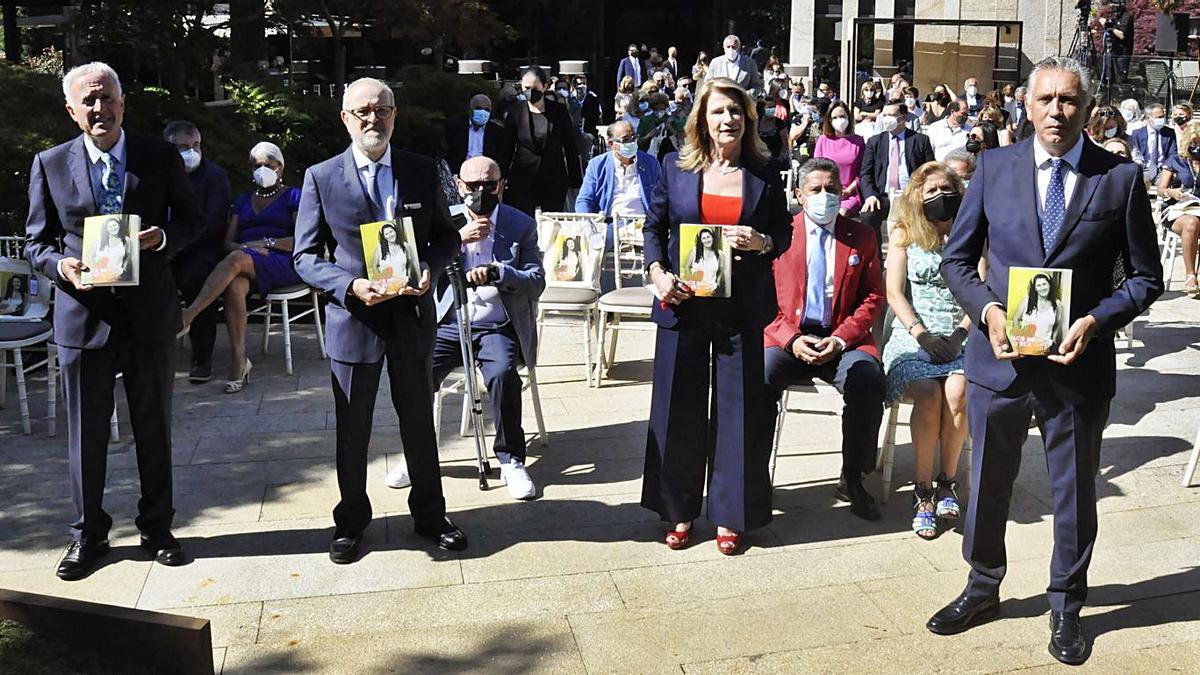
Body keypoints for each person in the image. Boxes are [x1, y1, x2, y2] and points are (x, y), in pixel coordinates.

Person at [931, 57, 1163, 665]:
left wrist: (1097, 319)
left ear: (1086, 109)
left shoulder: (1121, 179)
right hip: (1000, 361)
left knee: (1073, 492)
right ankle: (982, 586)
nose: (1057, 111)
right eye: (1046, 99)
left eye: (1069, 100)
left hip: (1077, 367)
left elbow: (1144, 278)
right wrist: (986, 311)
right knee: (987, 486)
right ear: (1026, 106)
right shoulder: (994, 169)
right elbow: (957, 261)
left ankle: (1066, 604)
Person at [25, 62, 199, 579]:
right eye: (89, 102)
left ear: (124, 102)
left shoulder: (159, 156)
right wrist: (61, 266)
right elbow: (36, 242)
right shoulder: (50, 163)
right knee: (86, 433)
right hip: (83, 318)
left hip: (148, 313)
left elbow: (192, 221)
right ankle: (87, 535)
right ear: (72, 111)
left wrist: (161, 239)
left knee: (154, 425)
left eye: (108, 98)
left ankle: (157, 526)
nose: (100, 109)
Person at [292, 77, 467, 563]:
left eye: (383, 110)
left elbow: (447, 236)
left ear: (395, 114)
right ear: (346, 118)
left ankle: (431, 515)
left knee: (418, 420)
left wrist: (430, 266)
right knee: (353, 427)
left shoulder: (419, 169)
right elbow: (305, 257)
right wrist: (348, 285)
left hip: (411, 315)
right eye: (364, 111)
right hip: (356, 319)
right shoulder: (321, 177)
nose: (374, 120)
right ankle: (350, 521)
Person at [641, 77, 792, 556]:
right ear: (701, 120)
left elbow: (783, 233)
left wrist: (762, 242)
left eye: (735, 112)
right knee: (677, 405)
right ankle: (678, 507)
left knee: (739, 407)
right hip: (683, 303)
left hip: (739, 308)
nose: (727, 120)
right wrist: (657, 272)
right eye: (717, 112)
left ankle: (733, 513)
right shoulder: (675, 166)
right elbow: (655, 226)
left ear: (747, 119)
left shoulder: (766, 171)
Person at [382, 156, 545, 499]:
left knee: (502, 374)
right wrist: (455, 240)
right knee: (416, 375)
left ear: (502, 185)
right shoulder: (444, 221)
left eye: (489, 185)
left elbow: (537, 282)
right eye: (473, 186)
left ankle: (511, 459)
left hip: (496, 324)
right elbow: (414, 268)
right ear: (458, 186)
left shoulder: (520, 224)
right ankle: (417, 456)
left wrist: (500, 272)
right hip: (449, 321)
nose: (480, 192)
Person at [764, 158, 886, 520]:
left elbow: (873, 296)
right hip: (788, 335)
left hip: (842, 337)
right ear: (800, 194)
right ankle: (753, 475)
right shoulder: (780, 233)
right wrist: (789, 338)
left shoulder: (861, 235)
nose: (824, 196)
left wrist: (842, 338)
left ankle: (854, 476)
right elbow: (762, 298)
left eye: (832, 189)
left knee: (868, 380)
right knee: (757, 377)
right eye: (815, 190)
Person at [881, 162, 971, 539]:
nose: (938, 196)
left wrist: (958, 335)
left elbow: (979, 291)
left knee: (959, 389)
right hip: (912, 334)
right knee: (929, 394)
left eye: (944, 188)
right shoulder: (904, 233)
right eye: (929, 190)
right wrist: (921, 335)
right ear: (917, 196)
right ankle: (921, 493)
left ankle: (947, 480)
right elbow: (895, 292)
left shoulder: (972, 234)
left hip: (959, 333)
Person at [178, 141, 303, 393]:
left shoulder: (293, 196)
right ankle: (239, 360)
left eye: (268, 165)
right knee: (234, 283)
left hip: (280, 258)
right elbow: (228, 242)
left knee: (235, 262)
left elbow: (302, 238)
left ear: (280, 168)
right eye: (257, 166)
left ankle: (188, 315)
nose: (262, 170)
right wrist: (247, 249)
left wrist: (267, 242)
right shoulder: (244, 200)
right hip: (246, 260)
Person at [163, 120, 231, 384]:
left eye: (196, 146)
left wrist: (174, 246)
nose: (191, 152)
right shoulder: (158, 173)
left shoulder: (215, 176)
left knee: (198, 280)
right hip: (162, 249)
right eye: (183, 147)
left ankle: (201, 358)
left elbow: (213, 222)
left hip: (201, 248)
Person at [499, 66, 584, 216]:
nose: (530, 92)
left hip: (553, 179)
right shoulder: (516, 112)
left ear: (544, 87)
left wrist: (576, 182)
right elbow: (506, 148)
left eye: (535, 88)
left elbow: (570, 146)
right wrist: (501, 179)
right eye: (526, 88)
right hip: (522, 180)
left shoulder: (559, 111)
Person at [859, 100, 937, 235]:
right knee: (868, 215)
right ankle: (875, 255)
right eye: (885, 115)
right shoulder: (874, 142)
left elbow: (930, 170)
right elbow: (866, 173)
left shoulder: (920, 140)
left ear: (904, 117)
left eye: (892, 115)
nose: (887, 119)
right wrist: (870, 195)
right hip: (882, 196)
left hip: (910, 195)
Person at [576, 120, 661, 223]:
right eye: (625, 140)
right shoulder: (597, 165)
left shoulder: (650, 163)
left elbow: (661, 197)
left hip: (643, 223)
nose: (631, 143)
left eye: (634, 138)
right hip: (609, 224)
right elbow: (584, 200)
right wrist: (589, 226)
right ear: (611, 143)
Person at [1156, 123, 1200, 297]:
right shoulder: (1176, 160)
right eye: (1194, 142)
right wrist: (1171, 192)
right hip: (1177, 209)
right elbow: (1160, 189)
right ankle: (1190, 275)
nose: (1197, 147)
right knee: (1191, 222)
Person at [813, 100, 866, 216]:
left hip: (849, 194)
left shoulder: (858, 141)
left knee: (840, 214)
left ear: (848, 117)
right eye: (835, 117)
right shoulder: (823, 140)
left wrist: (848, 190)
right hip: (826, 192)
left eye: (842, 116)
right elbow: (816, 169)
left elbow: (862, 172)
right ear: (829, 120)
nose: (839, 120)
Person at [445, 94, 504, 176]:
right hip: (459, 173)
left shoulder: (497, 132)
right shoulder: (455, 127)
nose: (483, 112)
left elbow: (500, 158)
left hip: (486, 174)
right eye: (479, 108)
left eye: (486, 110)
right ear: (470, 110)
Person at [1012, 272, 1067, 349]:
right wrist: (1019, 339)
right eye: (1038, 285)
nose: (1042, 288)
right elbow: (1016, 319)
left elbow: (1057, 324)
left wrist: (1053, 340)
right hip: (1025, 348)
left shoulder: (1057, 304)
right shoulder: (1026, 301)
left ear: (1049, 285)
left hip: (1046, 348)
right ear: (1035, 288)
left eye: (1044, 284)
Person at [700, 35, 764, 97]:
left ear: (739, 48)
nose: (731, 49)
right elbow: (707, 84)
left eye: (734, 47)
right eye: (728, 47)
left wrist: (744, 95)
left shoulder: (749, 63)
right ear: (723, 48)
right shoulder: (715, 63)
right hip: (721, 103)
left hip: (742, 104)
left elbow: (757, 86)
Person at [1129, 103, 1175, 185]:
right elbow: (1135, 154)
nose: (1162, 120)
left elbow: (1173, 154)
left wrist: (1166, 169)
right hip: (1144, 170)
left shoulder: (1169, 133)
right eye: (1158, 117)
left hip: (1163, 171)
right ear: (1148, 118)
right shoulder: (1137, 134)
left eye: (1163, 117)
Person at [89, 215, 132, 282]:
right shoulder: (99, 240)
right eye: (110, 227)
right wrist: (96, 271)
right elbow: (91, 256)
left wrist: (123, 270)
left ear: (119, 226)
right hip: (100, 276)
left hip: (117, 276)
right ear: (107, 229)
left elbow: (127, 256)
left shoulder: (126, 240)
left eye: (114, 225)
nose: (113, 228)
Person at [371, 221, 411, 286]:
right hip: (386, 287)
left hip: (403, 285)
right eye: (386, 234)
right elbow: (374, 266)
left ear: (395, 232)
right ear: (384, 237)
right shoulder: (379, 249)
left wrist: (408, 276)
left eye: (391, 232)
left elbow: (409, 262)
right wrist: (381, 280)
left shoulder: (405, 246)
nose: (390, 235)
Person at [685, 227, 724, 292]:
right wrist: (692, 283)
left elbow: (721, 270)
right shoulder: (694, 251)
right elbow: (687, 266)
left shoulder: (720, 254)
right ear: (701, 241)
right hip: (695, 290)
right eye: (704, 238)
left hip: (711, 291)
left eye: (708, 237)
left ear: (712, 238)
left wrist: (717, 284)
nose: (707, 240)